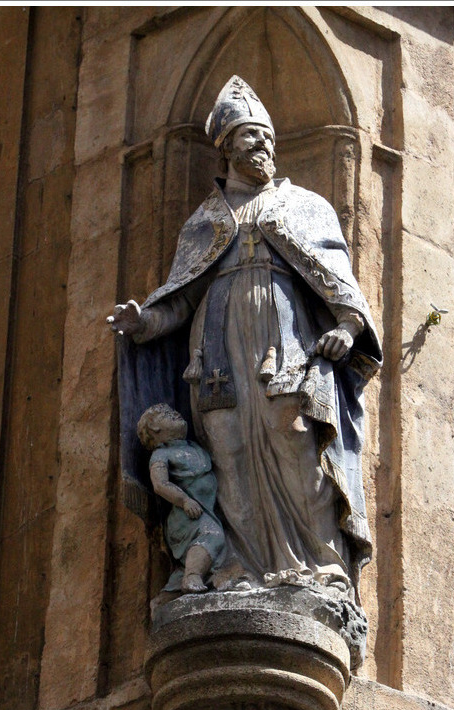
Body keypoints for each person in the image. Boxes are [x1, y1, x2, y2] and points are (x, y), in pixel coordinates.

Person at [108, 76, 382, 601]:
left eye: (268, 139)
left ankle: (321, 564)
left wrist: (346, 328)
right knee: (227, 452)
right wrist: (143, 323)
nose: (264, 148)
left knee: (299, 438)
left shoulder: (306, 205)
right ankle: (235, 566)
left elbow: (336, 277)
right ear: (227, 147)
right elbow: (182, 298)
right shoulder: (207, 220)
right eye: (251, 138)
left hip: (288, 344)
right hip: (216, 350)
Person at [137, 403, 226, 594]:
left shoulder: (193, 446)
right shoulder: (161, 455)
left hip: (205, 510)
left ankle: (175, 586)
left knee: (212, 542)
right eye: (167, 414)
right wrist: (184, 501)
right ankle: (192, 576)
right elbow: (160, 484)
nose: (176, 413)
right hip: (187, 517)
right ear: (154, 429)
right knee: (212, 535)